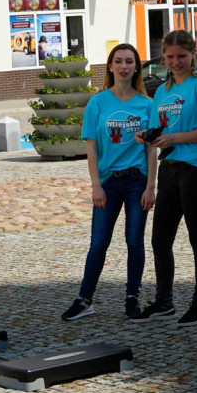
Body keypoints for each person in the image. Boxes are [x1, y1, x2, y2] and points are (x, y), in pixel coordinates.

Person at [62, 44, 157, 320]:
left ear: (136, 66)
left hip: (137, 180)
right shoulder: (98, 103)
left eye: (129, 61)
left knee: (134, 241)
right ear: (110, 66)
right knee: (98, 243)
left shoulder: (147, 104)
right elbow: (91, 147)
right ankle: (84, 299)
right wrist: (95, 184)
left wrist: (151, 185)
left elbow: (152, 149)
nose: (124, 66)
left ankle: (132, 298)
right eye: (119, 61)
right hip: (108, 182)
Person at [131, 30, 197, 326]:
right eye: (170, 57)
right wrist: (147, 136)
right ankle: (164, 301)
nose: (176, 62)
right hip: (169, 169)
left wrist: (173, 137)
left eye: (182, 56)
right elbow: (158, 131)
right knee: (160, 240)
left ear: (193, 54)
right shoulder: (163, 92)